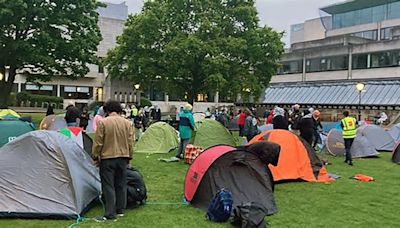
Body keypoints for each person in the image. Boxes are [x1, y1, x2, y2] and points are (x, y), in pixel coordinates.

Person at [92, 100, 134, 222]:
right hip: (123, 157)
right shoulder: (127, 123)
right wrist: (129, 156)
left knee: (108, 185)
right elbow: (131, 142)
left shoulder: (103, 123)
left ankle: (110, 213)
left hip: (107, 158)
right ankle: (120, 209)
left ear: (107, 110)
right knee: (121, 184)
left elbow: (98, 143)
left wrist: (95, 156)